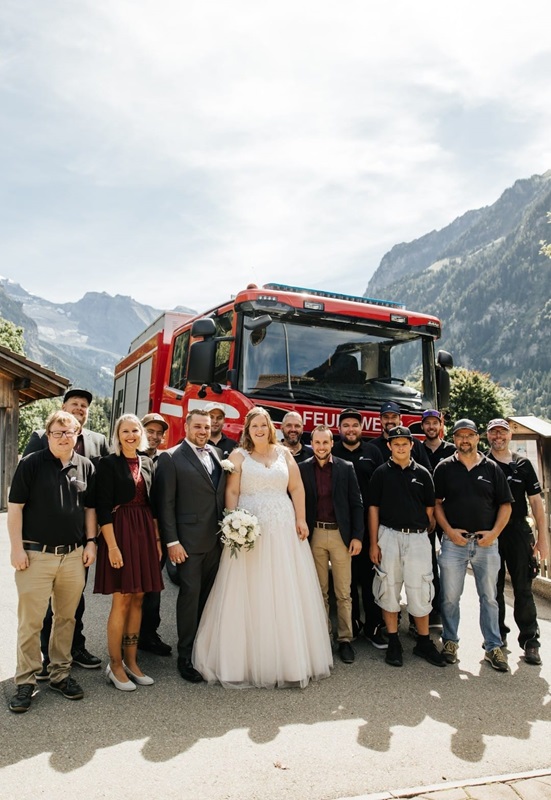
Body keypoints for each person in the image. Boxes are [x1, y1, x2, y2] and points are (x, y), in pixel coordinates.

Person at [193, 408, 332, 687]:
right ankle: (240, 662)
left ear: (270, 428)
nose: (259, 429)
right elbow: (232, 491)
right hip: (250, 528)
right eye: (254, 425)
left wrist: (301, 519)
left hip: (283, 528)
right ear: (247, 429)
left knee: (284, 588)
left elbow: (297, 488)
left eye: (263, 425)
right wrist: (232, 522)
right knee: (250, 588)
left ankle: (289, 663)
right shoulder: (238, 456)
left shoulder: (284, 454)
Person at [7, 410, 97, 713]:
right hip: (36, 555)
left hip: (73, 556)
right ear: (48, 436)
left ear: (77, 434)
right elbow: (15, 507)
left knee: (66, 619)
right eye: (57, 432)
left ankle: (60, 674)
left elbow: (89, 509)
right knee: (31, 622)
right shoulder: (31, 463)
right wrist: (16, 549)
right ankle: (26, 681)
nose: (63, 437)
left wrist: (91, 542)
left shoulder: (85, 466)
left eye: (69, 432)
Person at [24, 388, 108, 675]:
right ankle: (46, 657)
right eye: (75, 403)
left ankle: (75, 647)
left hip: (80, 536)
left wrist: (94, 536)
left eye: (84, 405)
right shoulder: (40, 437)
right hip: (43, 537)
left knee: (74, 598)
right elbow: (26, 484)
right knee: (43, 603)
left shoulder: (98, 441)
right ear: (63, 407)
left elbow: (101, 489)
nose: (80, 408)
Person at [434, 419, 513, 671]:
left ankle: (493, 647)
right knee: (449, 597)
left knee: (489, 597)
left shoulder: (492, 468)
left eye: (469, 435)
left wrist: (494, 534)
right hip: (453, 543)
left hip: (486, 544)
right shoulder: (444, 467)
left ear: (478, 438)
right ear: (454, 439)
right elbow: (436, 504)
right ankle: (450, 641)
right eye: (460, 436)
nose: (464, 440)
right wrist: (449, 531)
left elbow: (505, 505)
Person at [155, 409, 226, 683]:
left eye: (206, 427)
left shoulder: (217, 454)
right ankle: (184, 656)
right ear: (186, 427)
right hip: (187, 543)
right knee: (189, 597)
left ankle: (201, 649)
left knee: (208, 598)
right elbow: (166, 504)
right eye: (198, 426)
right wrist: (172, 542)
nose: (203, 431)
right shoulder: (171, 457)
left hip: (216, 541)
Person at [94, 414, 164, 691]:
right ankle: (114, 665)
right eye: (125, 431)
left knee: (138, 598)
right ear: (118, 435)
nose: (131, 435)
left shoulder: (147, 462)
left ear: (141, 434)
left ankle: (132, 662)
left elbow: (153, 504)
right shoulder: (108, 463)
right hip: (120, 531)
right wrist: (112, 546)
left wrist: (156, 540)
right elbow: (102, 508)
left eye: (135, 430)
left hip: (144, 531)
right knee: (121, 599)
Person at [368, 425, 446, 668]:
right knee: (388, 587)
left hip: (417, 538)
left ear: (412, 445)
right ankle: (393, 641)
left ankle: (423, 641)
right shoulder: (381, 473)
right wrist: (374, 543)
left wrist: (419, 529)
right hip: (388, 536)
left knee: (420, 588)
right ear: (389, 446)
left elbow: (429, 510)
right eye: (396, 444)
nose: (400, 447)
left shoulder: (423, 474)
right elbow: (373, 509)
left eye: (404, 443)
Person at [300, 424, 364, 665]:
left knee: (344, 592)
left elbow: (356, 503)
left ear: (331, 443)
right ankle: (323, 637)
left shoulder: (345, 468)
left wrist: (357, 536)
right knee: (319, 591)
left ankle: (345, 639)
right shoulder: (302, 468)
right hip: (314, 534)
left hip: (340, 535)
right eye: (317, 442)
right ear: (312, 444)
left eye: (325, 442)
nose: (321, 447)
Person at [486, 418, 549, 665]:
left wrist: (543, 539)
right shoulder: (482, 462)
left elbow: (536, 502)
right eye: (493, 432)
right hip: (490, 531)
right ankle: (497, 638)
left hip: (517, 531)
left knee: (523, 587)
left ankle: (530, 641)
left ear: (510, 435)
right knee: (493, 589)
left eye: (502, 432)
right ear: (487, 436)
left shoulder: (522, 464)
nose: (498, 436)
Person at [331, 408, 386, 648]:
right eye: (346, 425)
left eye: (355, 425)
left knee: (372, 579)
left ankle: (374, 627)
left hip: (370, 525)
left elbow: (383, 489)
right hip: (342, 528)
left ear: (361, 428)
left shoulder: (373, 452)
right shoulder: (332, 452)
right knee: (347, 581)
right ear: (339, 429)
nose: (350, 429)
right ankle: (352, 624)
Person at [137, 412, 172, 657]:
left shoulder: (165, 459)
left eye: (159, 433)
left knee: (154, 586)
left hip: (159, 533)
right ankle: (128, 636)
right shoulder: (131, 457)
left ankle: (149, 635)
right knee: (132, 588)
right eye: (150, 431)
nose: (155, 436)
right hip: (135, 530)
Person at [419, 409, 456, 629]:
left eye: (435, 423)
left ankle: (447, 611)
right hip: (425, 514)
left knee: (449, 564)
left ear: (441, 425)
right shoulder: (417, 449)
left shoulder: (452, 450)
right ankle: (431, 610)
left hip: (448, 515)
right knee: (428, 564)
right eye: (427, 423)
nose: (431, 427)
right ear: (422, 426)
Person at [371, 402, 432, 471]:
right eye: (386, 417)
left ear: (400, 418)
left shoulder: (415, 444)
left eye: (394, 417)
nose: (390, 421)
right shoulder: (373, 447)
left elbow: (426, 472)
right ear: (380, 419)